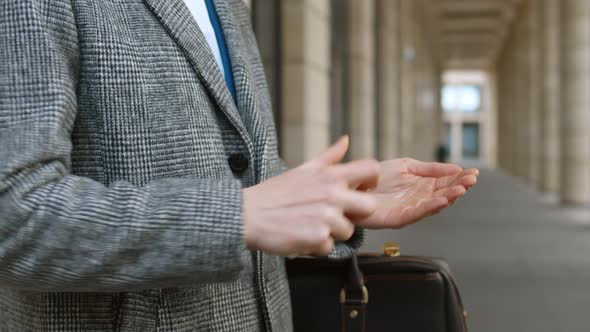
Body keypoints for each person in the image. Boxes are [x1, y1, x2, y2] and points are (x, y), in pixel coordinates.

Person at [0, 0, 478, 331]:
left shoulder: (226, 8)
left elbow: (236, 171)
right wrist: (233, 216)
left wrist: (341, 198)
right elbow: (13, 216)